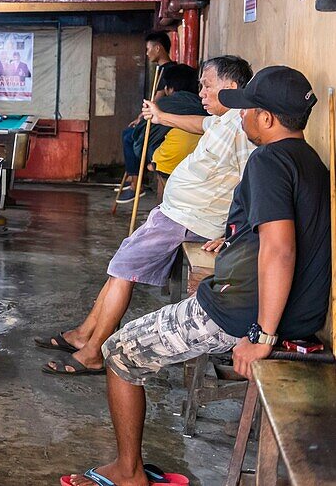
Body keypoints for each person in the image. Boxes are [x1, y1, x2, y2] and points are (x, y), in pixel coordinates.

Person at [62, 66, 330, 486]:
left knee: (118, 353)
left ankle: (128, 472)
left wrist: (261, 336)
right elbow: (273, 237)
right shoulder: (309, 160)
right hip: (288, 312)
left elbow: (280, 249)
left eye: (247, 111)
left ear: (267, 118)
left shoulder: (268, 162)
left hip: (242, 314)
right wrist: (234, 239)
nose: (240, 118)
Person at [38, 56, 254, 375]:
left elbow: (251, 184)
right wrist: (161, 115)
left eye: (207, 86)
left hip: (188, 220)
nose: (202, 94)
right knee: (119, 267)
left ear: (232, 87)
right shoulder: (224, 118)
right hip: (177, 215)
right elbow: (198, 123)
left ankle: (95, 351)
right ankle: (84, 335)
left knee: (123, 269)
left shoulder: (243, 126)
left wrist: (232, 233)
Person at [118, 31, 177, 202]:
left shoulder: (167, 71)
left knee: (130, 136)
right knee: (130, 133)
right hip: (158, 117)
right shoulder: (162, 69)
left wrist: (141, 118)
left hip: (163, 119)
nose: (147, 53)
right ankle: (132, 177)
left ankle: (136, 184)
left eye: (148, 49)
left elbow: (156, 100)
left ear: (158, 48)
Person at [128, 62, 203, 165]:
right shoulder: (203, 104)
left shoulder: (161, 105)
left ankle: (135, 176)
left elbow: (141, 137)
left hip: (170, 158)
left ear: (170, 88)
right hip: (200, 157)